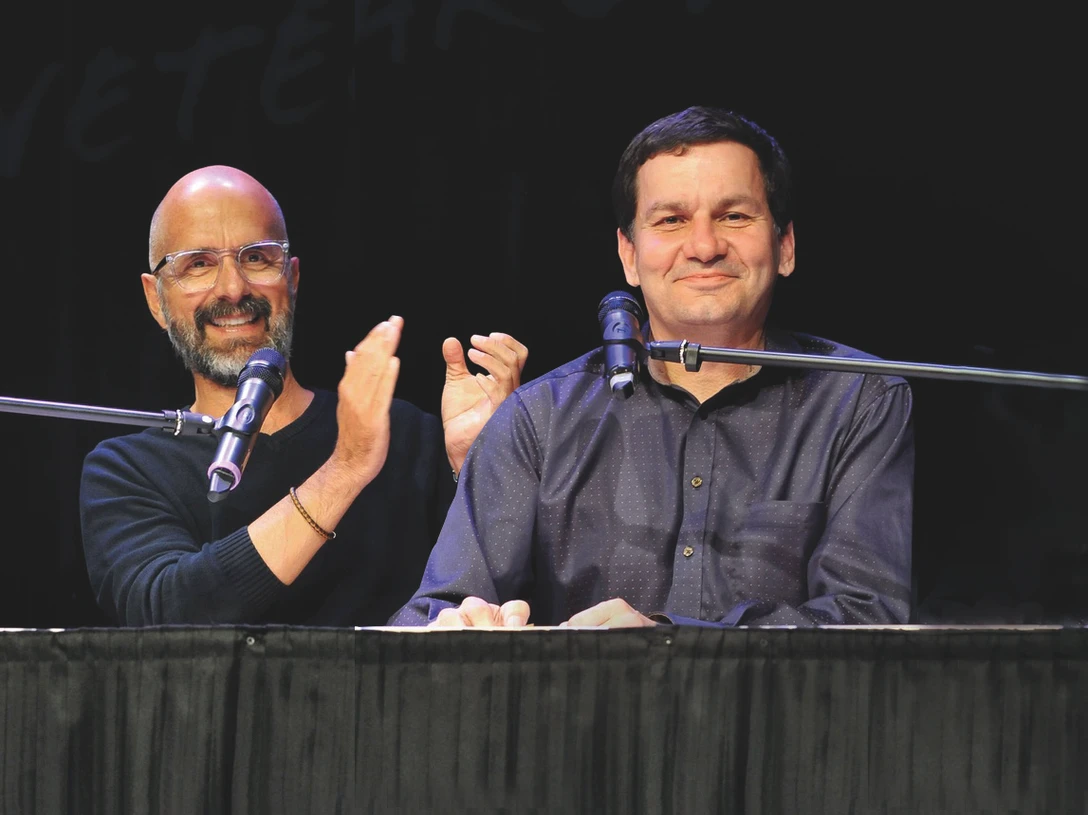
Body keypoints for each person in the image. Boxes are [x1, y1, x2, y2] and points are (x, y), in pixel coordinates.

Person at [391, 105, 914, 629]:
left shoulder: (857, 399)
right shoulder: (540, 418)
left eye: (734, 216)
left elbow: (866, 620)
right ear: (629, 255)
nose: (705, 247)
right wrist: (457, 627)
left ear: (785, 246)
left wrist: (666, 642)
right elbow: (435, 611)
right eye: (671, 221)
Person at [80, 165, 528, 626]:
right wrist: (346, 469)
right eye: (198, 264)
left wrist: (481, 465)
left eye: (257, 258)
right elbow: (167, 614)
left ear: (292, 277)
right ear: (156, 299)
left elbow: (508, 597)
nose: (233, 289)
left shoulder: (406, 434)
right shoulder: (125, 471)